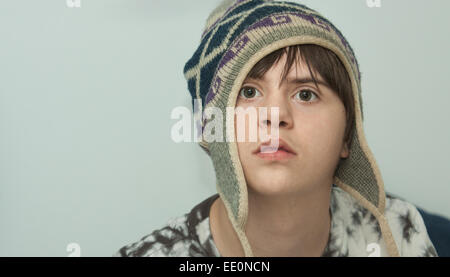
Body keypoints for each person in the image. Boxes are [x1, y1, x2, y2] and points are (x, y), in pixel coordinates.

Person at [113, 0, 438, 257]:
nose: (276, 115)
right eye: (249, 92)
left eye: (306, 94)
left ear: (348, 135)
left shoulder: (398, 230)